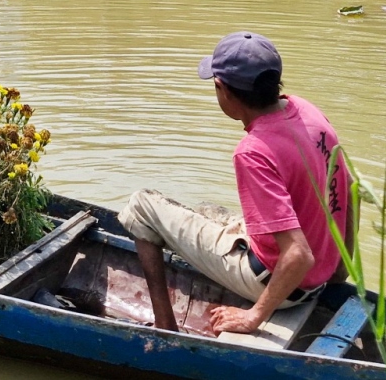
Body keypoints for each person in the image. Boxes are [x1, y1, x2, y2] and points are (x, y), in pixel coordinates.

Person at [118, 31, 351, 337]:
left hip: (279, 285)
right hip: (319, 278)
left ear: (222, 89)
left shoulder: (254, 151)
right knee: (205, 210)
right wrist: (339, 269)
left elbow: (299, 254)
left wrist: (252, 317)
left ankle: (165, 329)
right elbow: (347, 190)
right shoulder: (307, 111)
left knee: (142, 206)